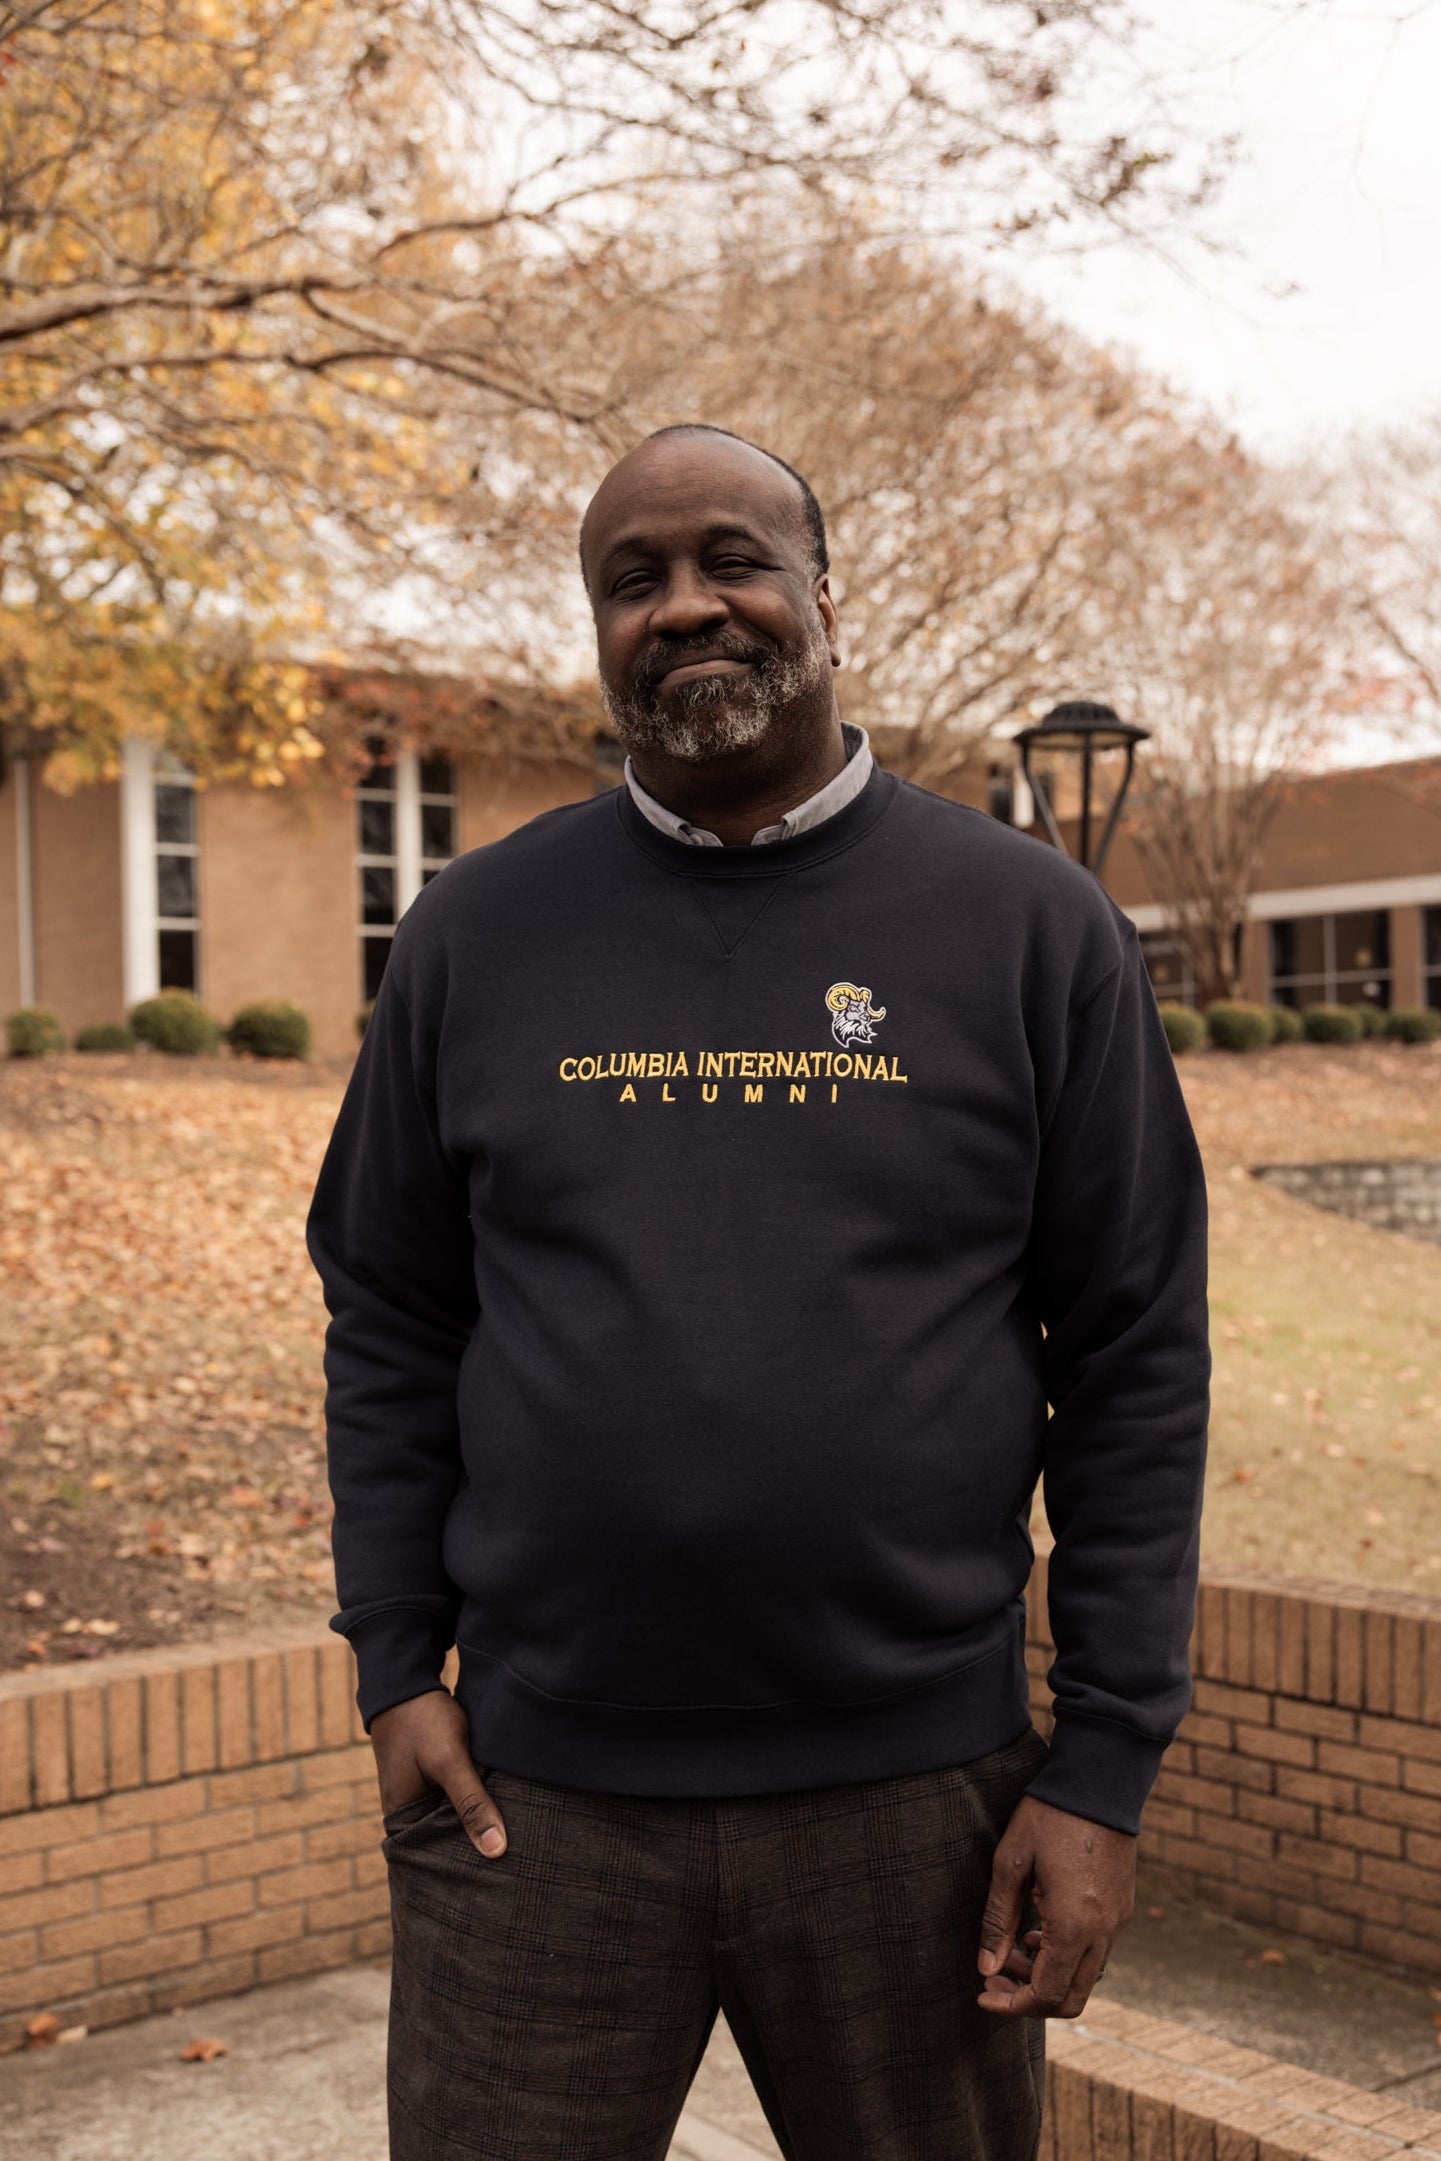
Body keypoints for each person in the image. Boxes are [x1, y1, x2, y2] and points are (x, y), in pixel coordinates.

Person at [306, 424, 1211, 2161]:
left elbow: (1130, 1356)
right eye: (629, 581)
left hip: (916, 1801)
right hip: (532, 1799)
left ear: (822, 598)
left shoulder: (1027, 929)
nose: (685, 606)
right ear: (595, 630)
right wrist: (391, 1663)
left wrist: (1101, 1763)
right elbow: (395, 1316)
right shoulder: (472, 935)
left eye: (730, 558)